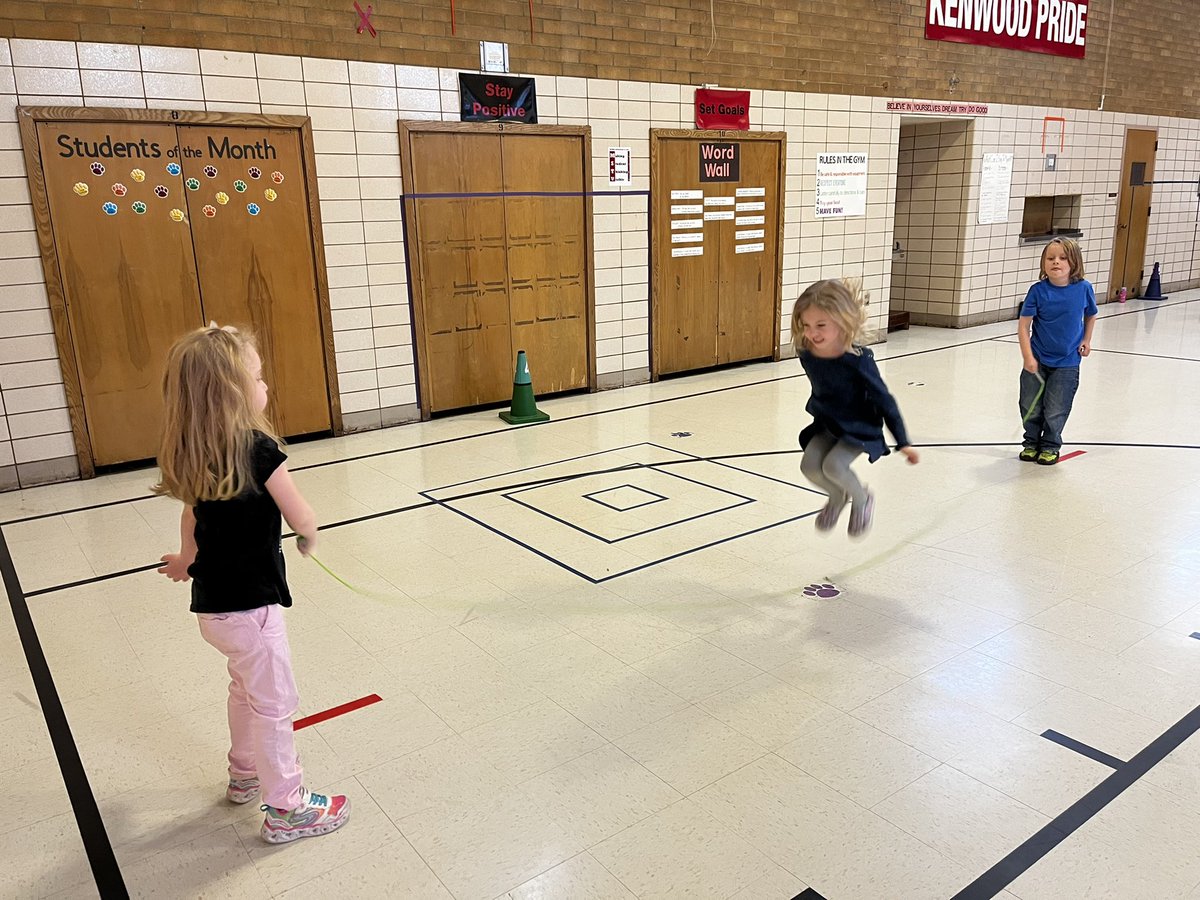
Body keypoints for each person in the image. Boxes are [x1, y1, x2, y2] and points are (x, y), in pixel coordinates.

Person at [153, 324, 350, 844]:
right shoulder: (258, 449)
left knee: (244, 689)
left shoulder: (196, 449)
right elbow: (299, 511)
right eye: (258, 378)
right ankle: (286, 807)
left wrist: (186, 561)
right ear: (235, 392)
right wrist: (308, 536)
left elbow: (191, 519)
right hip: (253, 611)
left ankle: (243, 773)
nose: (266, 387)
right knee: (275, 702)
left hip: (214, 611)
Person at [791, 279, 919, 536]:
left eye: (821, 325)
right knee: (809, 466)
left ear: (841, 322)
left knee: (834, 466)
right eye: (806, 325)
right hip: (828, 422)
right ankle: (837, 497)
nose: (812, 333)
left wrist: (903, 441)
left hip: (858, 425)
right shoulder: (807, 352)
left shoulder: (858, 360)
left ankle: (862, 500)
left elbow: (885, 400)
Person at [1017, 237, 1097, 465]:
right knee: (1029, 405)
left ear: (1074, 263)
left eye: (1062, 258)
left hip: (1068, 362)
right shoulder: (1037, 291)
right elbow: (1023, 326)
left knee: (1056, 408)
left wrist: (1087, 339)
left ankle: (1051, 445)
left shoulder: (1083, 289)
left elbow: (1091, 314)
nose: (1056, 262)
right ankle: (1031, 442)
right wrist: (1028, 357)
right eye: (1050, 258)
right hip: (1038, 358)